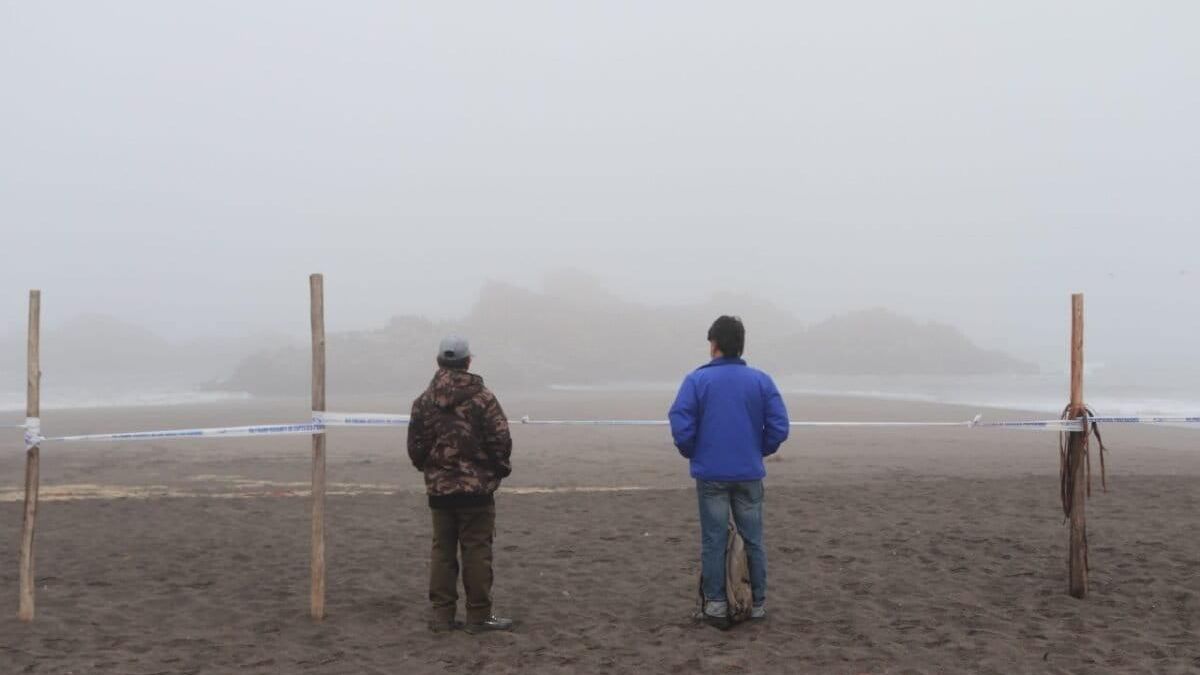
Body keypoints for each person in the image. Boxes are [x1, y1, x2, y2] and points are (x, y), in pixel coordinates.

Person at [668, 315, 790, 626]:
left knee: (714, 539)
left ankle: (717, 605)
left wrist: (693, 451)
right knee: (753, 538)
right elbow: (778, 426)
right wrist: (758, 449)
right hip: (748, 472)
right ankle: (758, 603)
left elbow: (681, 423)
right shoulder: (761, 381)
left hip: (712, 474)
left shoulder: (697, 380)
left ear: (714, 345)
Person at [407, 335, 514, 634]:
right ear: (468, 361)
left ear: (439, 361)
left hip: (440, 490)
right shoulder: (483, 398)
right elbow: (500, 440)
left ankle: (442, 616)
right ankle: (478, 616)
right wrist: (498, 472)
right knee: (477, 550)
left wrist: (431, 471)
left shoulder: (424, 401)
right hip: (477, 490)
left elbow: (415, 447)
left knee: (442, 551)